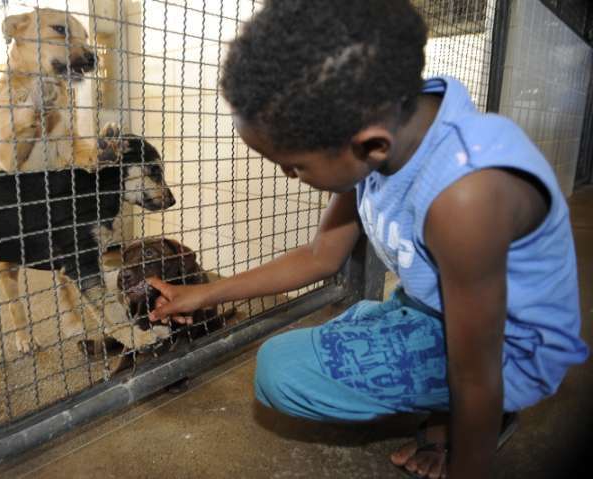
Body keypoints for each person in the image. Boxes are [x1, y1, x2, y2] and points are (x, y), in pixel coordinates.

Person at [145, 1, 589, 478]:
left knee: (282, 371)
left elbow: (475, 374)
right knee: (317, 347)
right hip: (434, 308)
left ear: (368, 143)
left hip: (508, 352)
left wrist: (461, 452)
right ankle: (435, 400)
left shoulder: (464, 197)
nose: (290, 177)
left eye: (294, 164)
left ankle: (489, 416)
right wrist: (205, 291)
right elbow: (321, 255)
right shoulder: (390, 128)